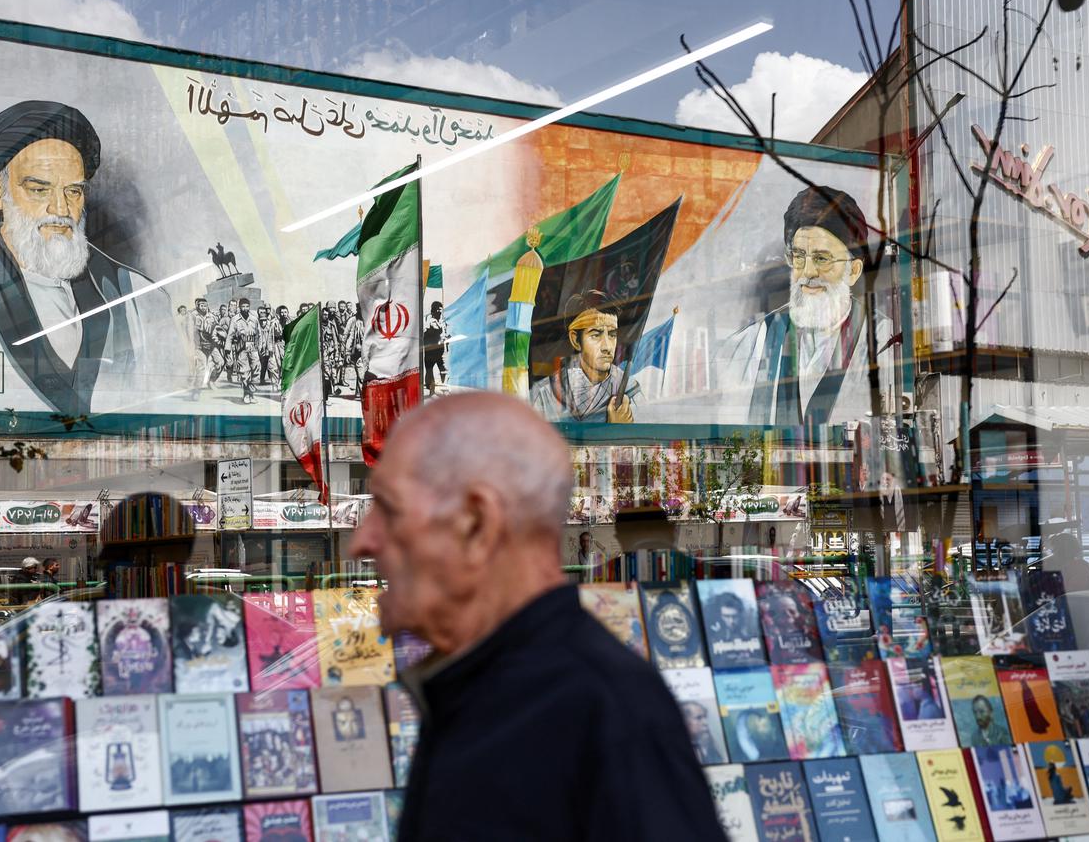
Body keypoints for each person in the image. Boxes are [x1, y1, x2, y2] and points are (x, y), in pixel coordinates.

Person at [349, 392, 725, 841]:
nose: (361, 542)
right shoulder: (480, 683)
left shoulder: (607, 709)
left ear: (477, 524)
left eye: (389, 509)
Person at [0, 100, 189, 414]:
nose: (61, 209)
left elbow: (169, 402)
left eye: (73, 191)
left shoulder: (139, 297)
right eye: (39, 190)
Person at [715, 185, 894, 426]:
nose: (808, 272)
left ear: (853, 270)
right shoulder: (749, 345)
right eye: (799, 256)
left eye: (822, 258)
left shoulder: (883, 343)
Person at [530, 292, 637, 423]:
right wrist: (615, 430)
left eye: (612, 335)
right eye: (596, 335)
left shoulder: (630, 390)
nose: (607, 347)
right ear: (575, 340)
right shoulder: (545, 393)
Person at [227, 298, 262, 404]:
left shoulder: (254, 319)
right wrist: (228, 348)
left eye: (247, 306)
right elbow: (230, 335)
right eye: (243, 306)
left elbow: (259, 334)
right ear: (239, 307)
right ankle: (247, 395)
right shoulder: (235, 319)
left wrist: (260, 346)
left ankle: (251, 391)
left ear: (249, 307)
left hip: (253, 347)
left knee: (256, 369)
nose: (245, 308)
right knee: (244, 372)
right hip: (241, 348)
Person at [422, 301, 448, 394]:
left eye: (441, 310)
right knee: (430, 370)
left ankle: (441, 387)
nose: (440, 312)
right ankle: (431, 389)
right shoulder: (429, 320)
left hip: (439, 350)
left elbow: (443, 333)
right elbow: (435, 330)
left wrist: (446, 336)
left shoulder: (442, 321)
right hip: (431, 350)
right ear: (434, 310)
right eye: (438, 310)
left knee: (442, 369)